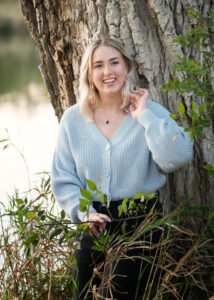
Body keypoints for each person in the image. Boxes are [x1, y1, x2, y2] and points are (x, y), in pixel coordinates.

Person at [51, 37, 193, 299]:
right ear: (89, 73)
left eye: (114, 62)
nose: (107, 72)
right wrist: (84, 213)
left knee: (113, 294)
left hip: (141, 222)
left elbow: (179, 157)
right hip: (94, 223)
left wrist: (146, 118)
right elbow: (63, 177)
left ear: (126, 67)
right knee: (81, 294)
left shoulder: (148, 111)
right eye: (99, 65)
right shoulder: (73, 119)